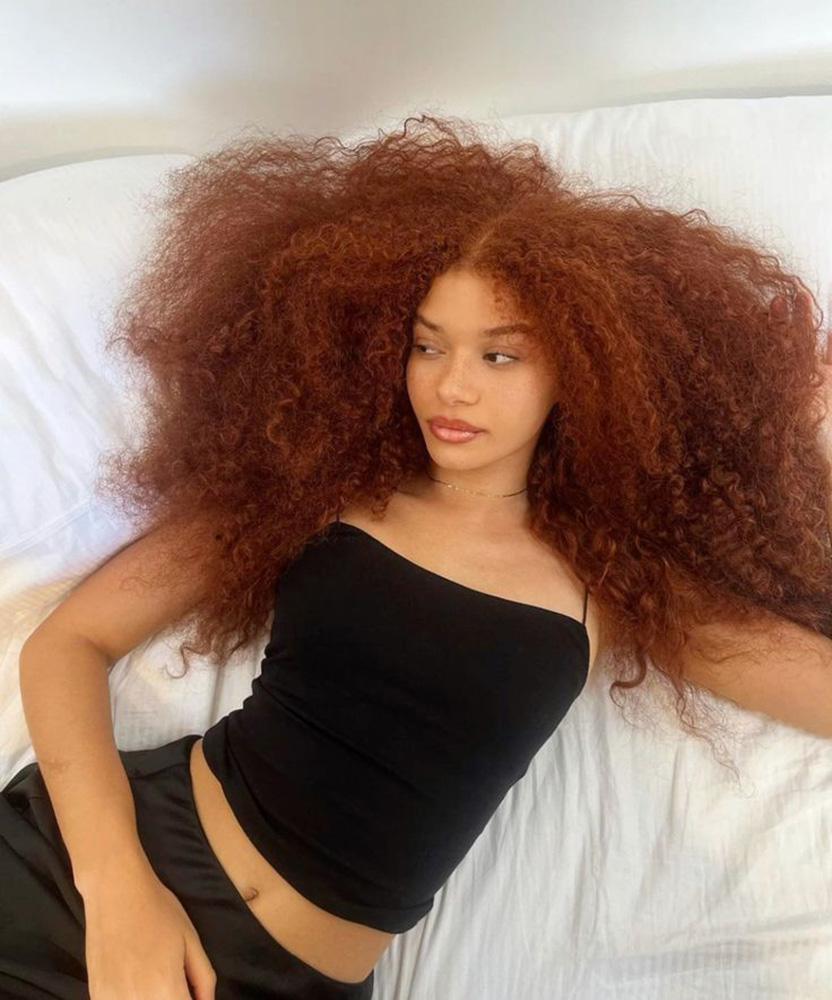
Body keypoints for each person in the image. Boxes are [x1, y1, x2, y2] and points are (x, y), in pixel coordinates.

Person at [3, 113, 832, 1000]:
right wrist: (118, 892)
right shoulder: (317, 486)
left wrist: (805, 436)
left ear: (584, 369)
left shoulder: (615, 581)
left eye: (500, 355)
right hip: (80, 882)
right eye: (427, 345)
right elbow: (69, 643)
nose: (451, 385)